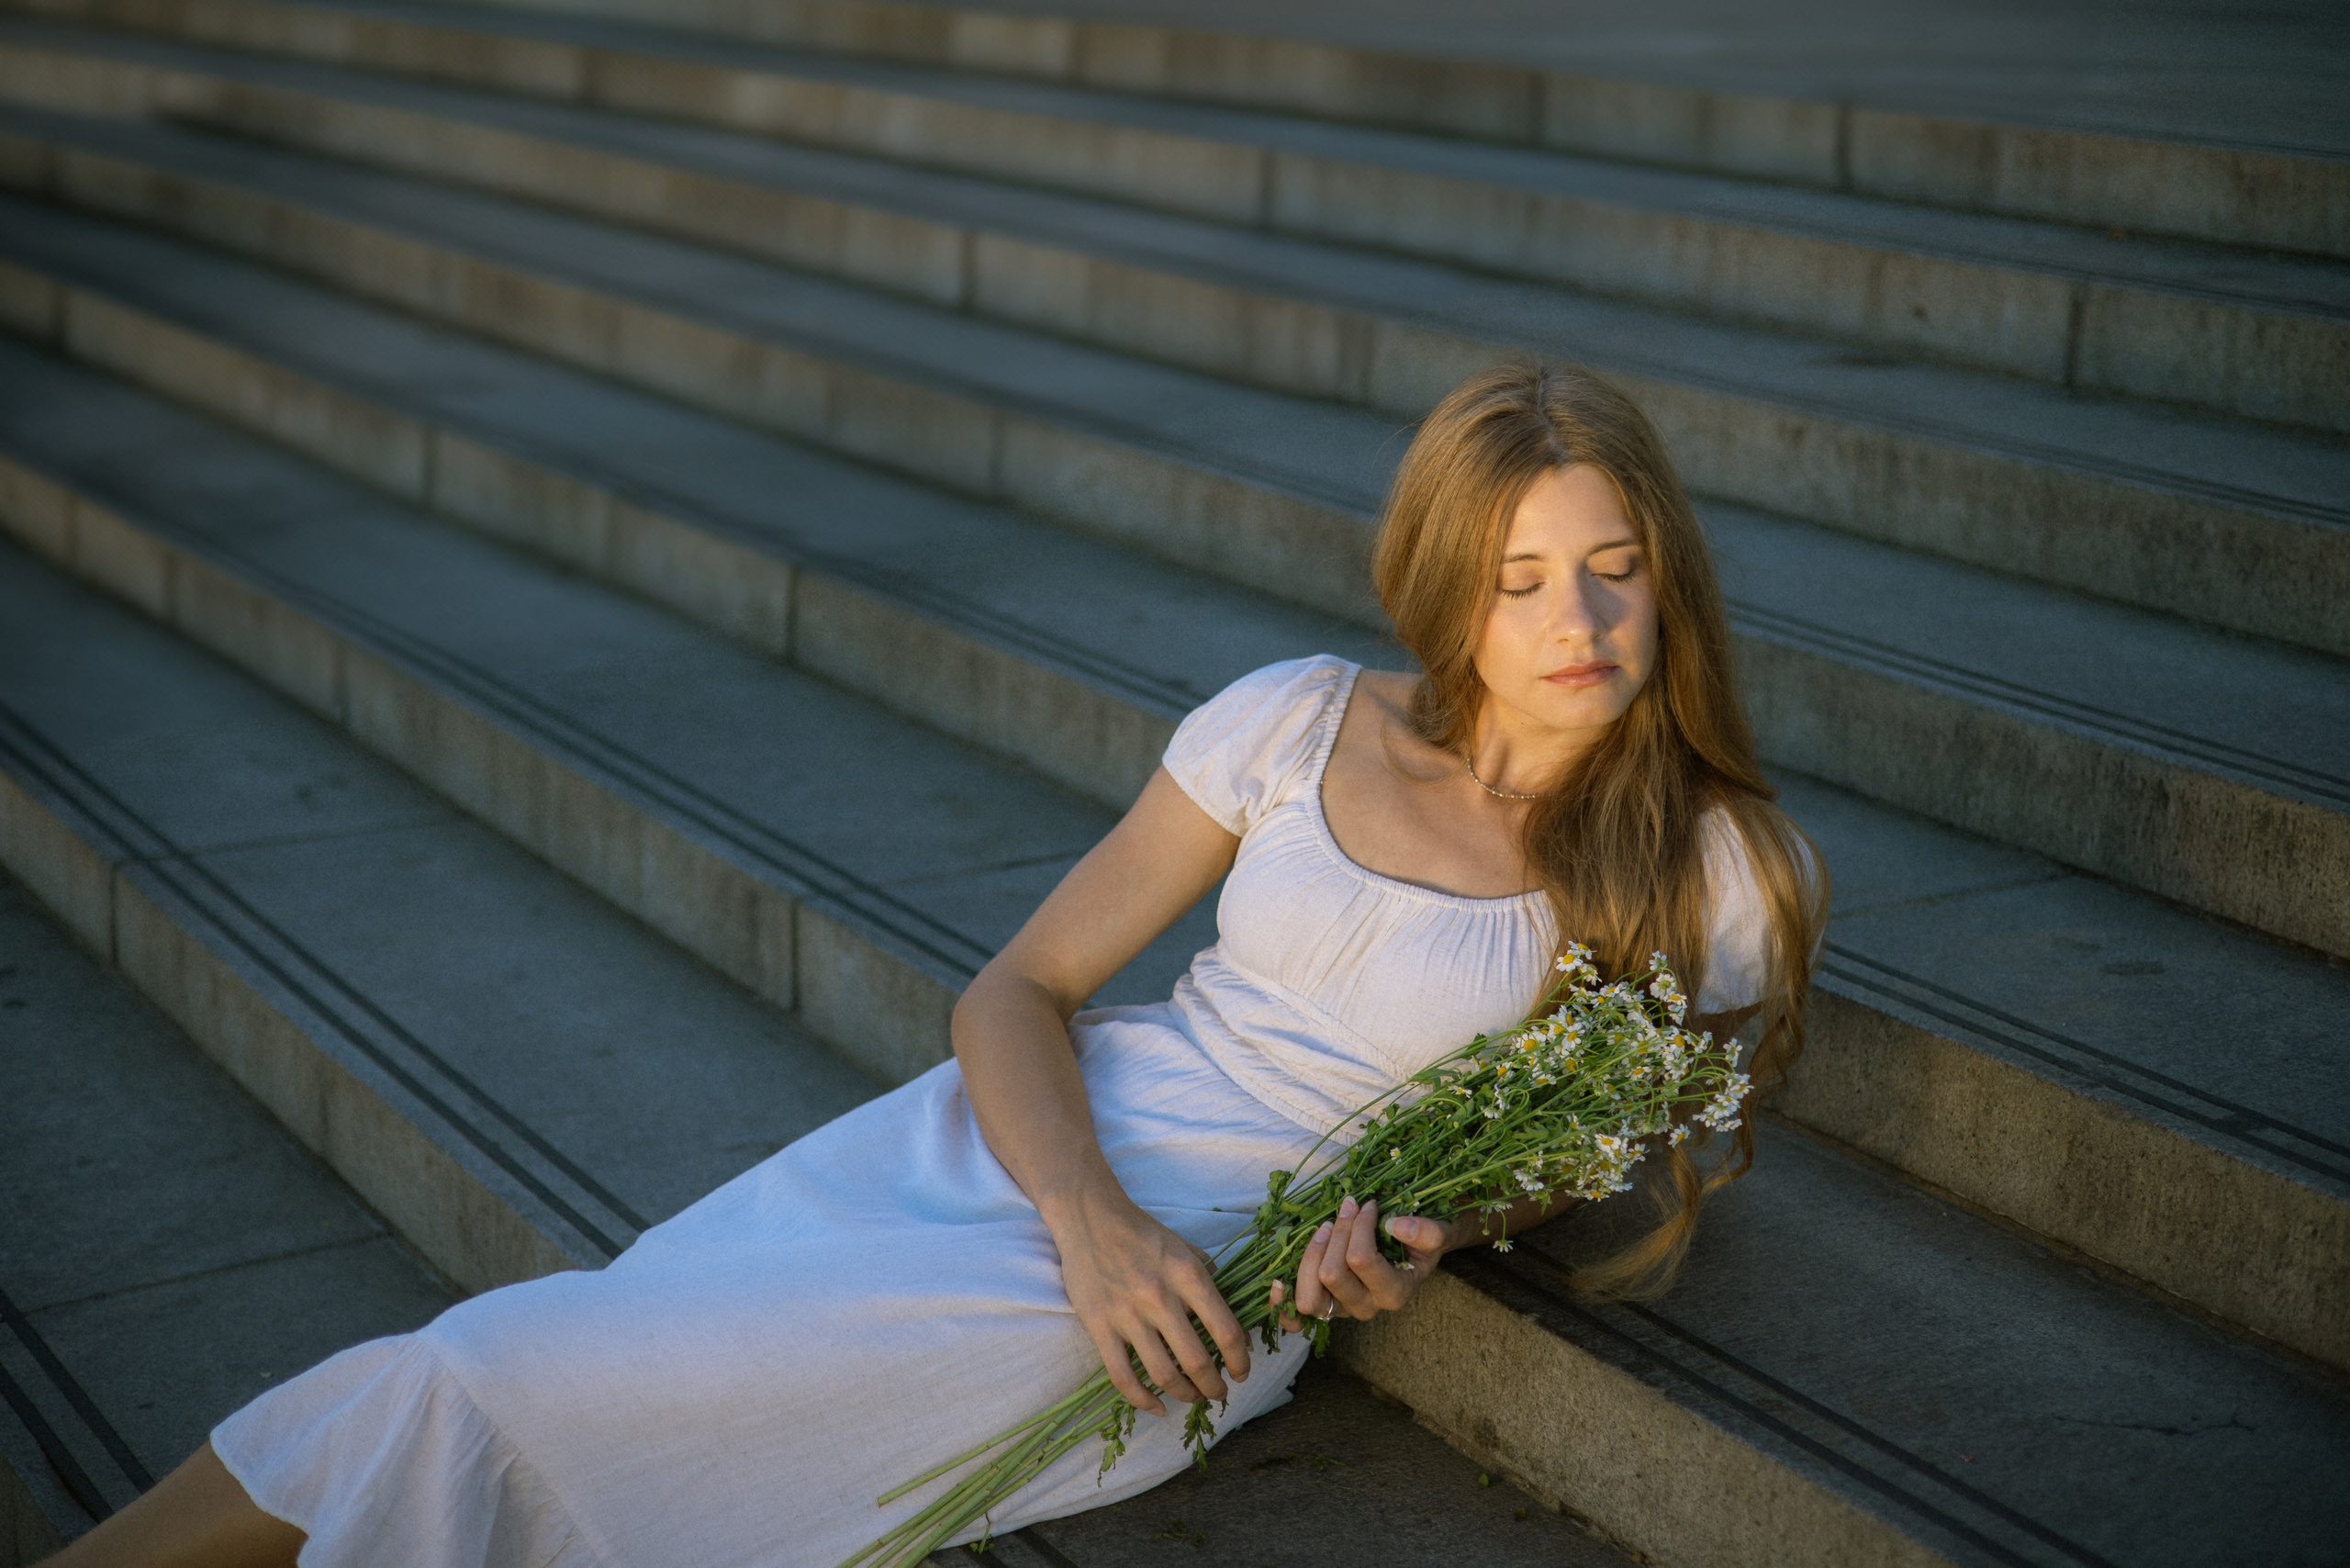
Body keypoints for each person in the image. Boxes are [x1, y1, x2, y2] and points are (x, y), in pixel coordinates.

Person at [46, 359, 1825, 1568]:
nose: (1572, 625)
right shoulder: (1294, 719)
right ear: (1443, 588)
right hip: (1033, 1152)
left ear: (1665, 580)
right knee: (506, 1349)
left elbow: (1602, 1149)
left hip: (1202, 1280)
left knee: (504, 1378)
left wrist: (1436, 1229)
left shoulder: (1709, 862)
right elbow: (1015, 987)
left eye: (1609, 570)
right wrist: (1085, 1207)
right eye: (1518, 579)